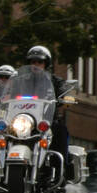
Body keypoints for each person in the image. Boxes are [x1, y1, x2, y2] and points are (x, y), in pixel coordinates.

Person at [24, 45, 70, 181]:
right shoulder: (20, 80)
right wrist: (3, 97)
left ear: (46, 64)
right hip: (24, 121)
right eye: (33, 62)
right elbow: (9, 93)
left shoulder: (55, 80)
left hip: (47, 120)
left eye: (39, 62)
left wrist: (65, 97)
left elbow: (63, 90)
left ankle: (61, 172)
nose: (36, 65)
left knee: (61, 131)